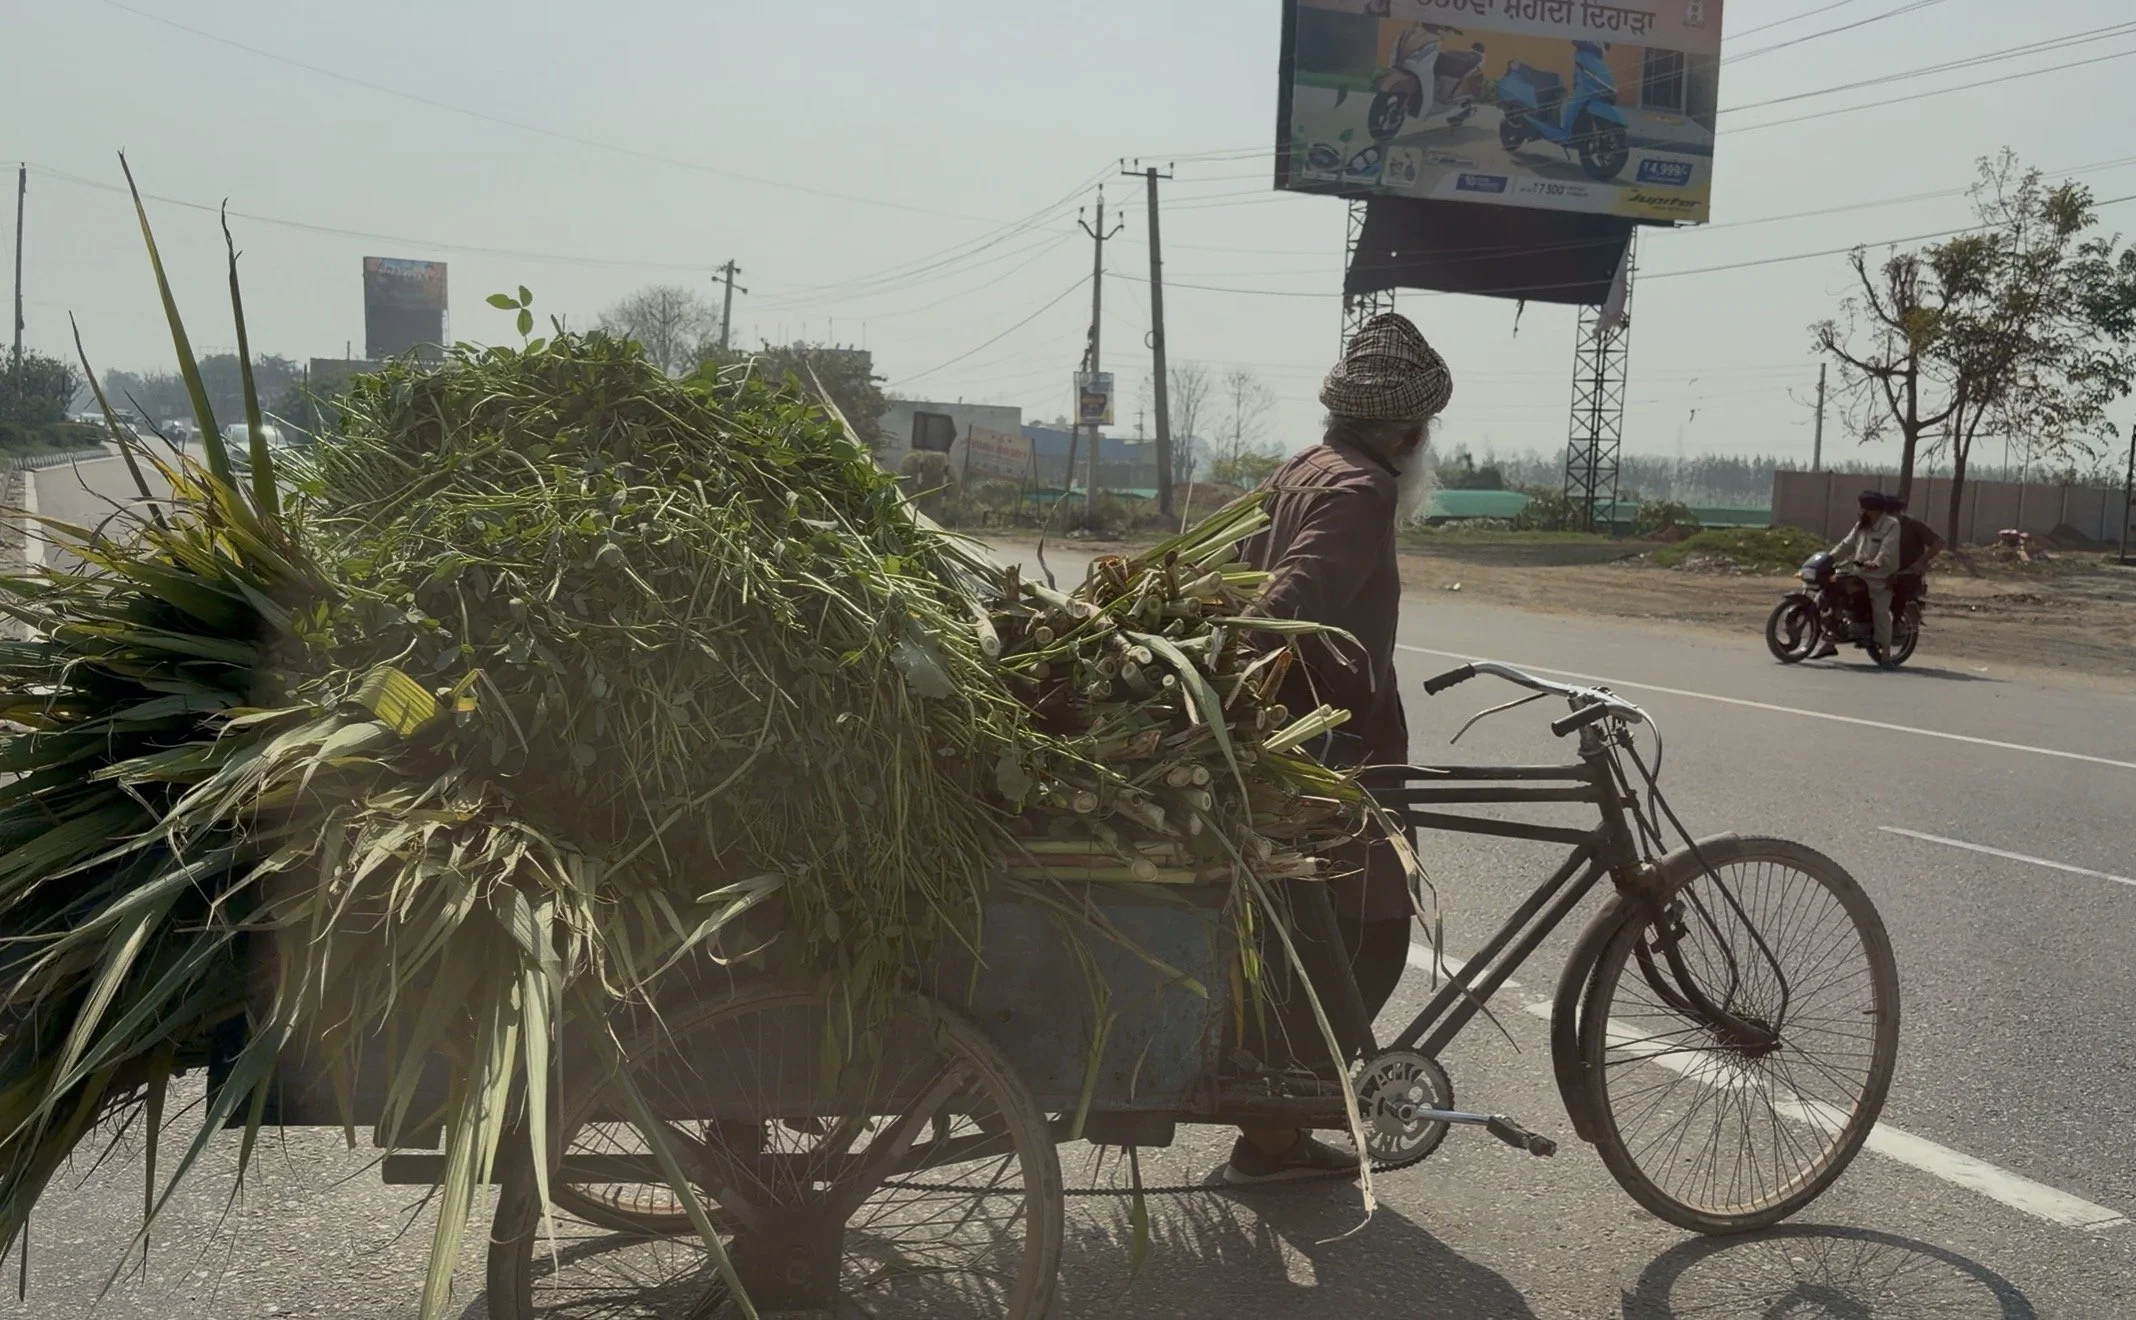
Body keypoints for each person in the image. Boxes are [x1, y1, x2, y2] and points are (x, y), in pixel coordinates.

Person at [1224, 311, 1453, 1185]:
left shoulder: (1298, 470)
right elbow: (1290, 595)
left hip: (1295, 743)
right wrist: (1238, 658)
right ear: (1411, 429)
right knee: (1371, 942)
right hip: (1331, 751)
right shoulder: (1363, 488)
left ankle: (1270, 1126)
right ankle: (1275, 1131)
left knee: (1302, 940)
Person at [1816, 490, 1903, 666]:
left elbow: (1888, 548)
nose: (1860, 511)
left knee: (1880, 611)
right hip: (1858, 573)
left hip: (1879, 578)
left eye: (1863, 508)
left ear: (1873, 510)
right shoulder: (1861, 525)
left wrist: (1877, 562)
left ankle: (1886, 655)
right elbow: (1846, 544)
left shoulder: (1891, 525)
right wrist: (1829, 559)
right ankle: (1829, 642)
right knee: (1833, 593)